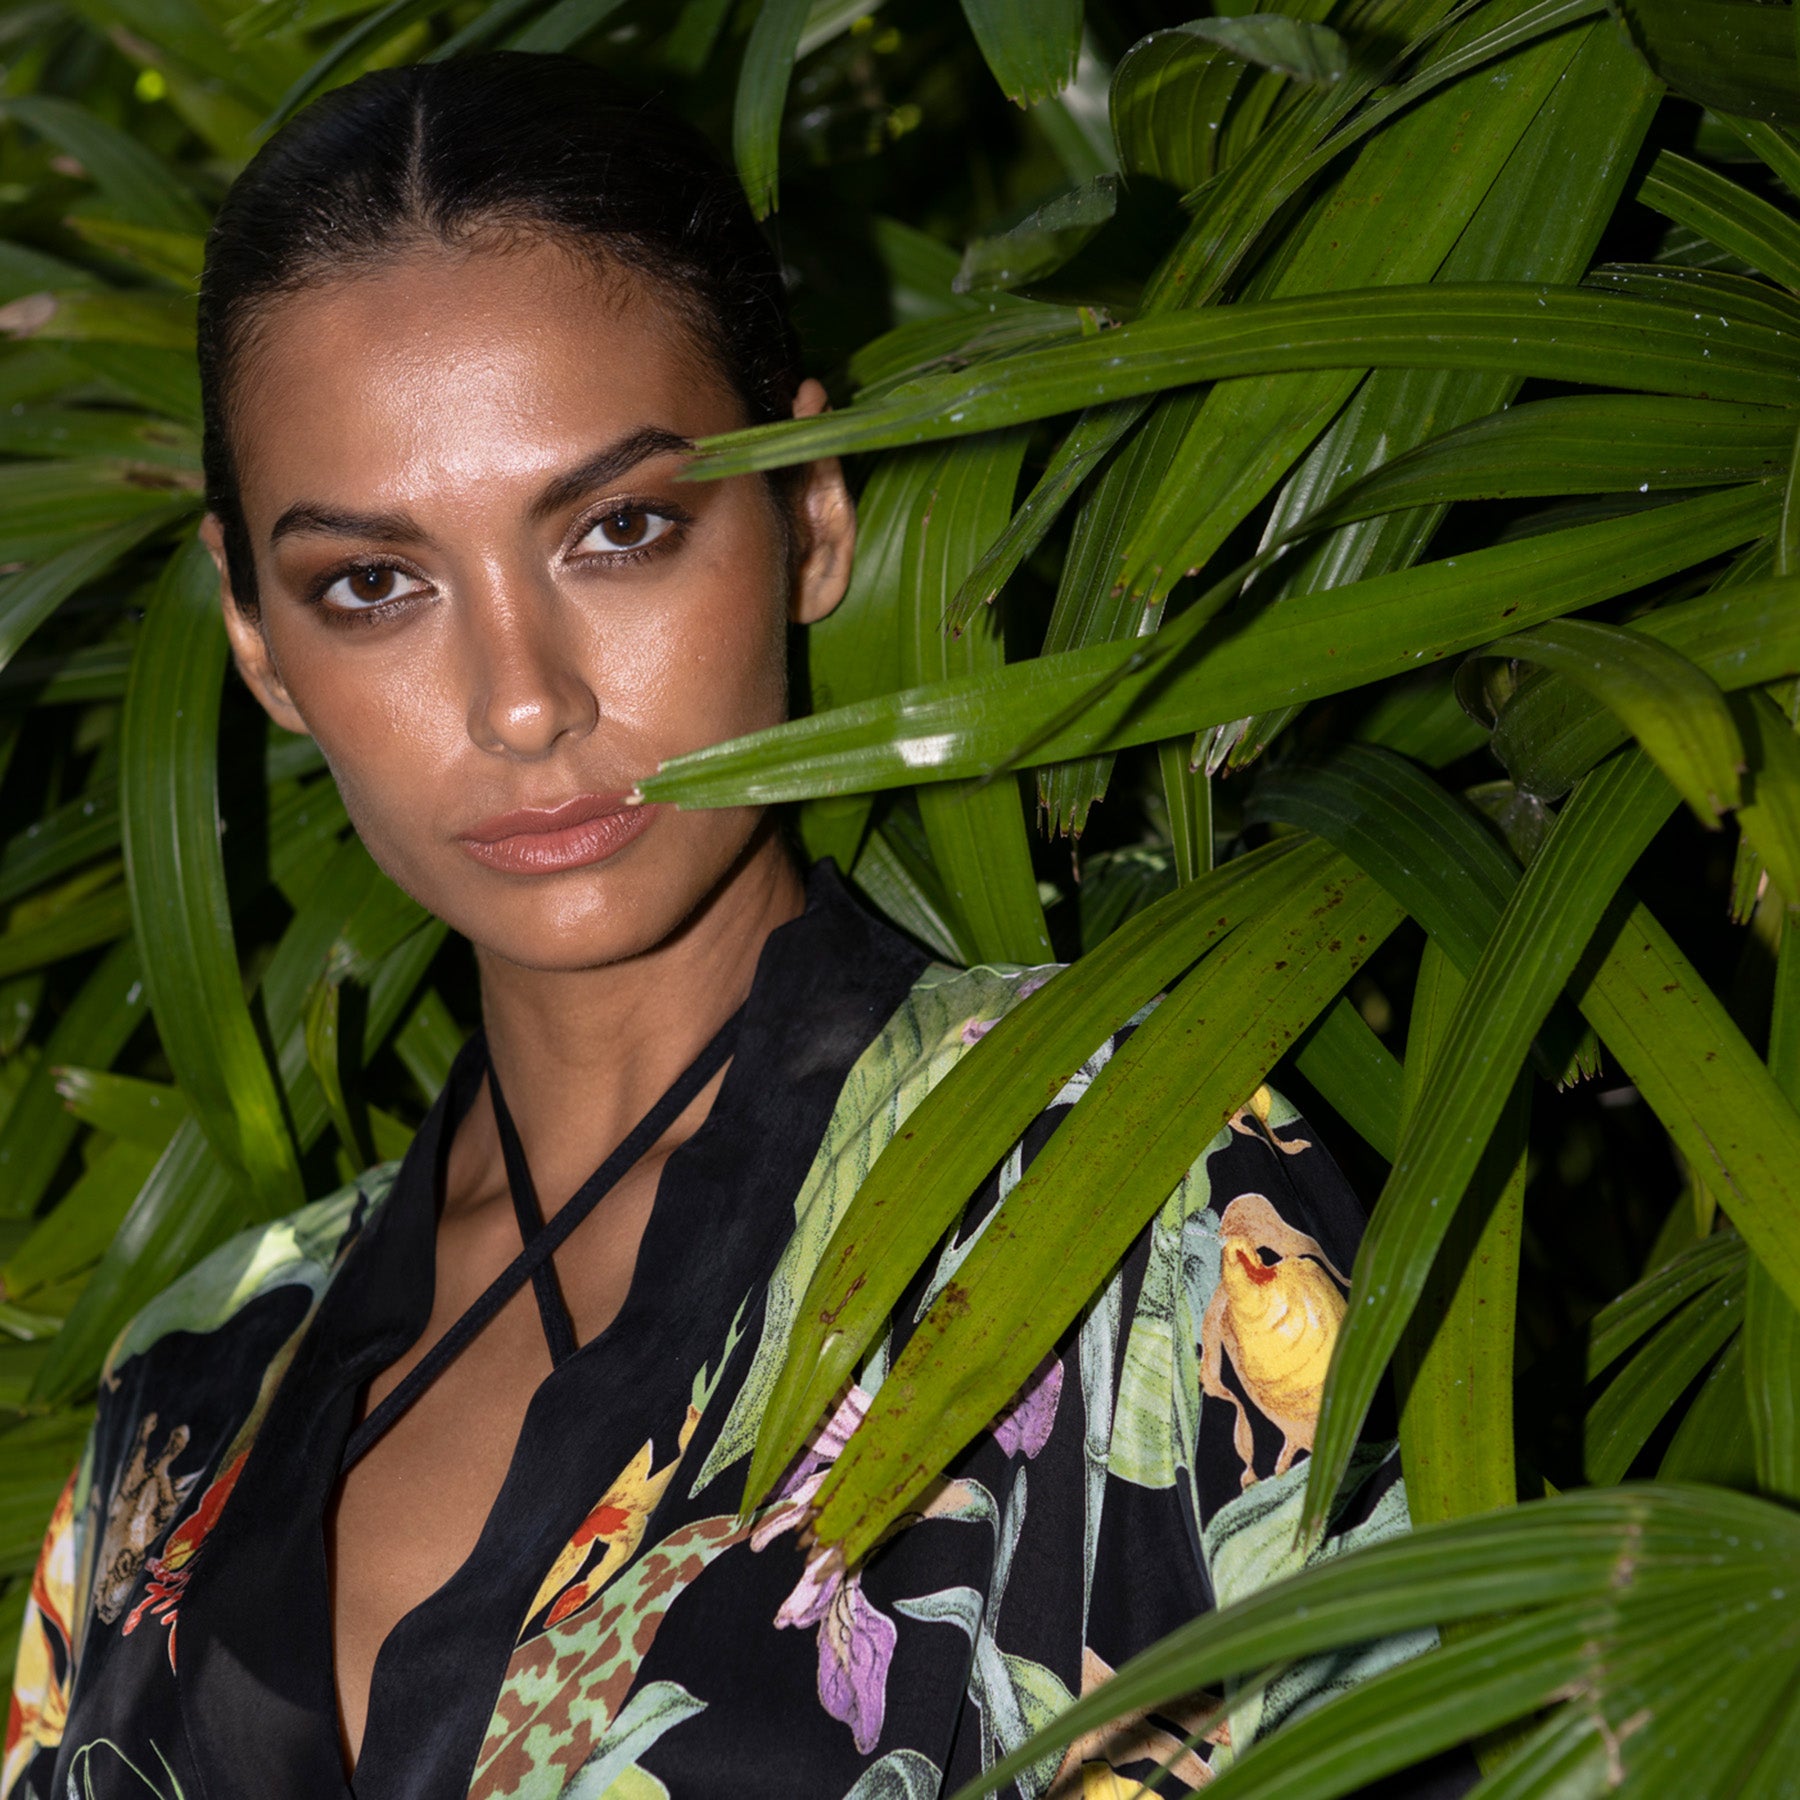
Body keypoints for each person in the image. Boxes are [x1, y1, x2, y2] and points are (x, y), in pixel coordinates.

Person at [3, 52, 1475, 1800]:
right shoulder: (195, 1384)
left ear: (809, 519)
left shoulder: (1123, 1195)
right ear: (259, 645)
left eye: (619, 528)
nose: (521, 702)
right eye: (373, 585)